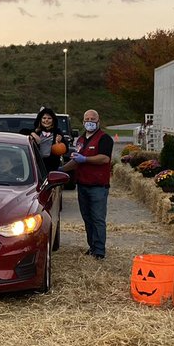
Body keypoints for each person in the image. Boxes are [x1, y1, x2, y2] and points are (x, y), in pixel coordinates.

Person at [62, 109, 114, 259]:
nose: (90, 122)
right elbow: (76, 161)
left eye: (93, 119)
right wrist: (61, 169)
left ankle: (99, 250)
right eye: (87, 119)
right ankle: (92, 246)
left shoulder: (104, 139)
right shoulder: (80, 140)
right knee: (87, 218)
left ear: (98, 121)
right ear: (83, 121)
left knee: (98, 218)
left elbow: (104, 158)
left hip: (98, 186)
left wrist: (85, 159)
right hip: (82, 184)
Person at [30, 106, 68, 172]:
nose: (46, 120)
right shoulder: (35, 131)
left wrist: (60, 142)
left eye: (49, 118)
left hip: (52, 166)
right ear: (40, 119)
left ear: (53, 120)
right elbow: (23, 133)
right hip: (35, 165)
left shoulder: (57, 132)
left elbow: (66, 149)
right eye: (44, 118)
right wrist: (33, 134)